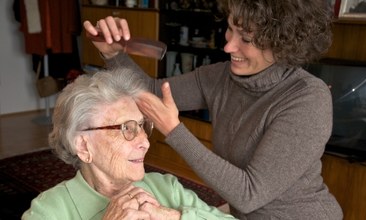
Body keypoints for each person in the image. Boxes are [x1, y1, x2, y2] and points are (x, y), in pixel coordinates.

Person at [83, 0, 343, 219]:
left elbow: (249, 193)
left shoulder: (307, 99)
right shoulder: (220, 77)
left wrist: (173, 130)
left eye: (247, 39)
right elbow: (151, 92)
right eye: (231, 29)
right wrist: (112, 54)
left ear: (283, 43)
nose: (229, 46)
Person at [22, 68, 237, 220]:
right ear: (84, 147)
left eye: (142, 126)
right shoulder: (49, 212)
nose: (145, 141)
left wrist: (175, 216)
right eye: (126, 128)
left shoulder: (165, 189)